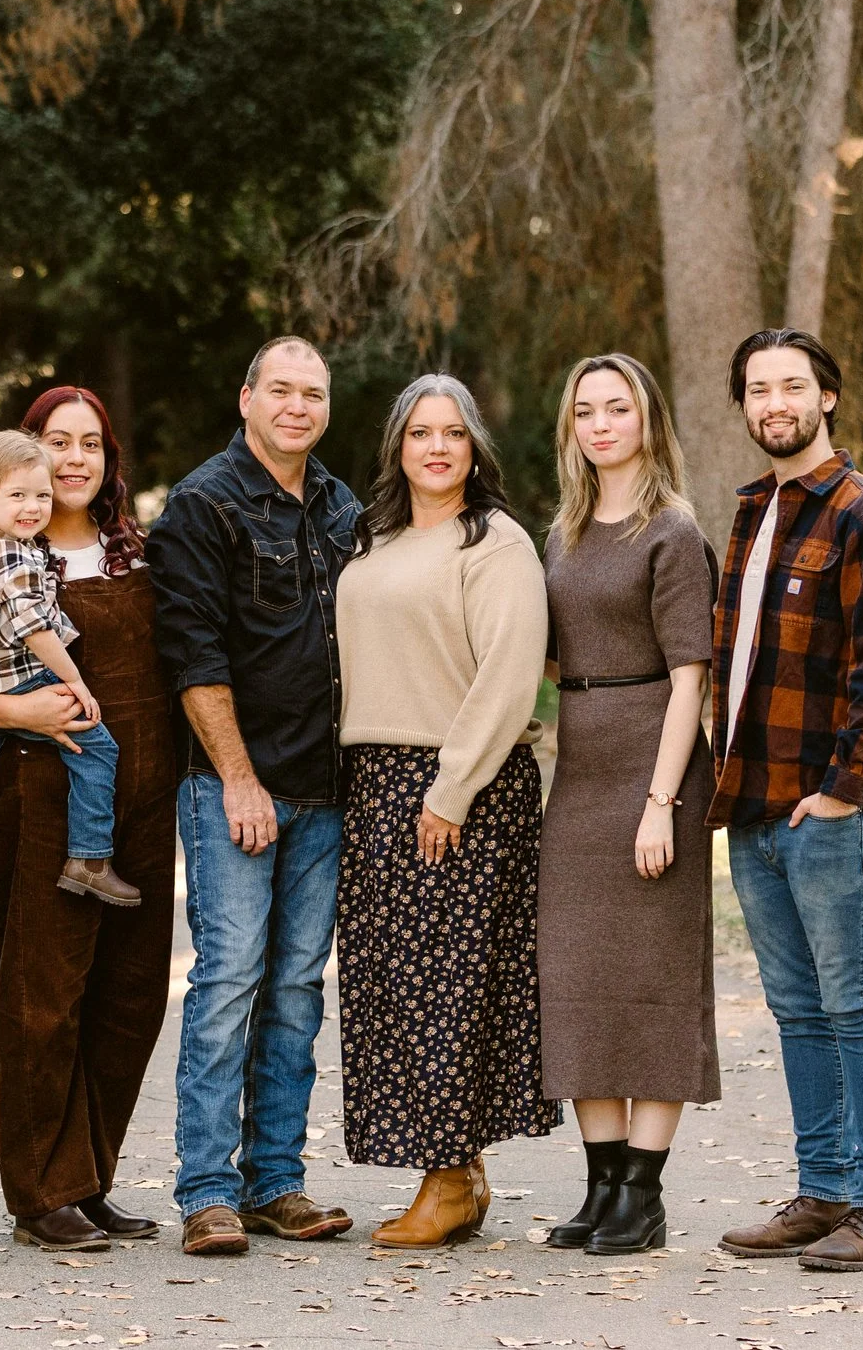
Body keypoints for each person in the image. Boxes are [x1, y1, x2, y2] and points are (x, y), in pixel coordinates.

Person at [707, 329, 863, 1273]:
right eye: (758, 389)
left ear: (827, 397)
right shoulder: (755, 509)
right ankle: (826, 1190)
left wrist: (843, 794)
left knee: (854, 1000)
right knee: (798, 1009)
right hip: (756, 805)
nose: (775, 403)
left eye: (792, 385)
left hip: (831, 811)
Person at [333, 373, 557, 1250]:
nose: (435, 446)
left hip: (456, 782)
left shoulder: (495, 541)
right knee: (395, 984)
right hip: (376, 778)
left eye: (452, 433)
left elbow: (509, 672)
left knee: (450, 988)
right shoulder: (374, 535)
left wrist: (450, 788)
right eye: (420, 431)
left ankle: (444, 1177)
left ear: (474, 449)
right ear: (398, 445)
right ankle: (462, 1173)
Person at [148, 337, 361, 1258]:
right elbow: (193, 656)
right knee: (230, 978)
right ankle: (205, 1189)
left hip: (327, 787)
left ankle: (276, 1179)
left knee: (296, 987)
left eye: (312, 393)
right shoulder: (202, 504)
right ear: (246, 398)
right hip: (237, 785)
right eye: (281, 389)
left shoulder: (343, 506)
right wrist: (239, 776)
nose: (297, 406)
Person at [0, 387, 179, 1253]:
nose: (76, 460)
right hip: (35, 799)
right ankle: (40, 1190)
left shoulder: (140, 558)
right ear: (28, 456)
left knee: (127, 997)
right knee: (39, 1000)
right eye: (58, 442)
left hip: (140, 805)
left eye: (92, 443)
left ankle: (91, 1178)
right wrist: (19, 716)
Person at [537, 353, 721, 1256]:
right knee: (577, 981)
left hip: (656, 765)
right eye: (586, 410)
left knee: (650, 983)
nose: (602, 423)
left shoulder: (672, 530)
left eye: (618, 408)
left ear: (646, 419)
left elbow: (691, 676)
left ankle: (643, 1195)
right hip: (577, 773)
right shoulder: (563, 531)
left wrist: (661, 799)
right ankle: (600, 1183)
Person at [0, 430, 137, 909]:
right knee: (98, 749)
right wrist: (74, 681)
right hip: (25, 675)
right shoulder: (15, 556)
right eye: (17, 496)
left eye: (42, 496)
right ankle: (90, 859)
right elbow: (35, 630)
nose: (32, 507)